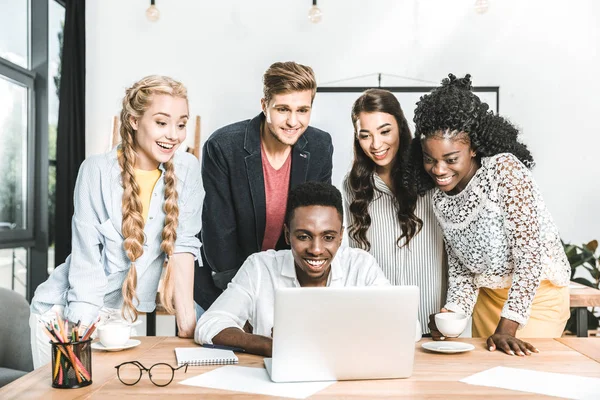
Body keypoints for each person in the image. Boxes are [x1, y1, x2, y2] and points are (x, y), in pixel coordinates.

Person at [30, 75, 202, 368]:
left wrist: (188, 324)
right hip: (65, 316)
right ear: (134, 121)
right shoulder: (96, 171)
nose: (174, 134)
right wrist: (78, 335)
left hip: (121, 321)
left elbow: (184, 245)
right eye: (162, 122)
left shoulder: (187, 169)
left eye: (181, 124)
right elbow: (86, 261)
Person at [409, 73, 571, 356]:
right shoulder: (439, 198)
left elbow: (529, 256)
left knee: (525, 379)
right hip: (488, 301)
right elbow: (462, 270)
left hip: (537, 299)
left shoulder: (504, 171)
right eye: (429, 159)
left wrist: (508, 327)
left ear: (473, 148)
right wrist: (453, 313)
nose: (438, 170)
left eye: (450, 159)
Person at [194, 61, 334, 313]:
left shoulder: (320, 145)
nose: (293, 121)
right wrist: (245, 305)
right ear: (264, 106)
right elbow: (219, 234)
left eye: (302, 110)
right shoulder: (223, 147)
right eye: (283, 109)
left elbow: (318, 222)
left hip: (286, 287)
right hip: (223, 284)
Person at [195, 182, 389, 356]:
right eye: (304, 236)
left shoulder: (361, 266)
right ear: (287, 235)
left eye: (328, 237)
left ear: (340, 236)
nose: (316, 250)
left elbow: (408, 327)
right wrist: (268, 345)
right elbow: (209, 325)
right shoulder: (260, 268)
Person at [342, 89, 445, 337]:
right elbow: (356, 260)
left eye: (385, 131)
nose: (376, 145)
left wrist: (451, 311)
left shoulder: (433, 174)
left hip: (436, 322)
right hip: (379, 324)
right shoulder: (352, 186)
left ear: (400, 125)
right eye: (365, 135)